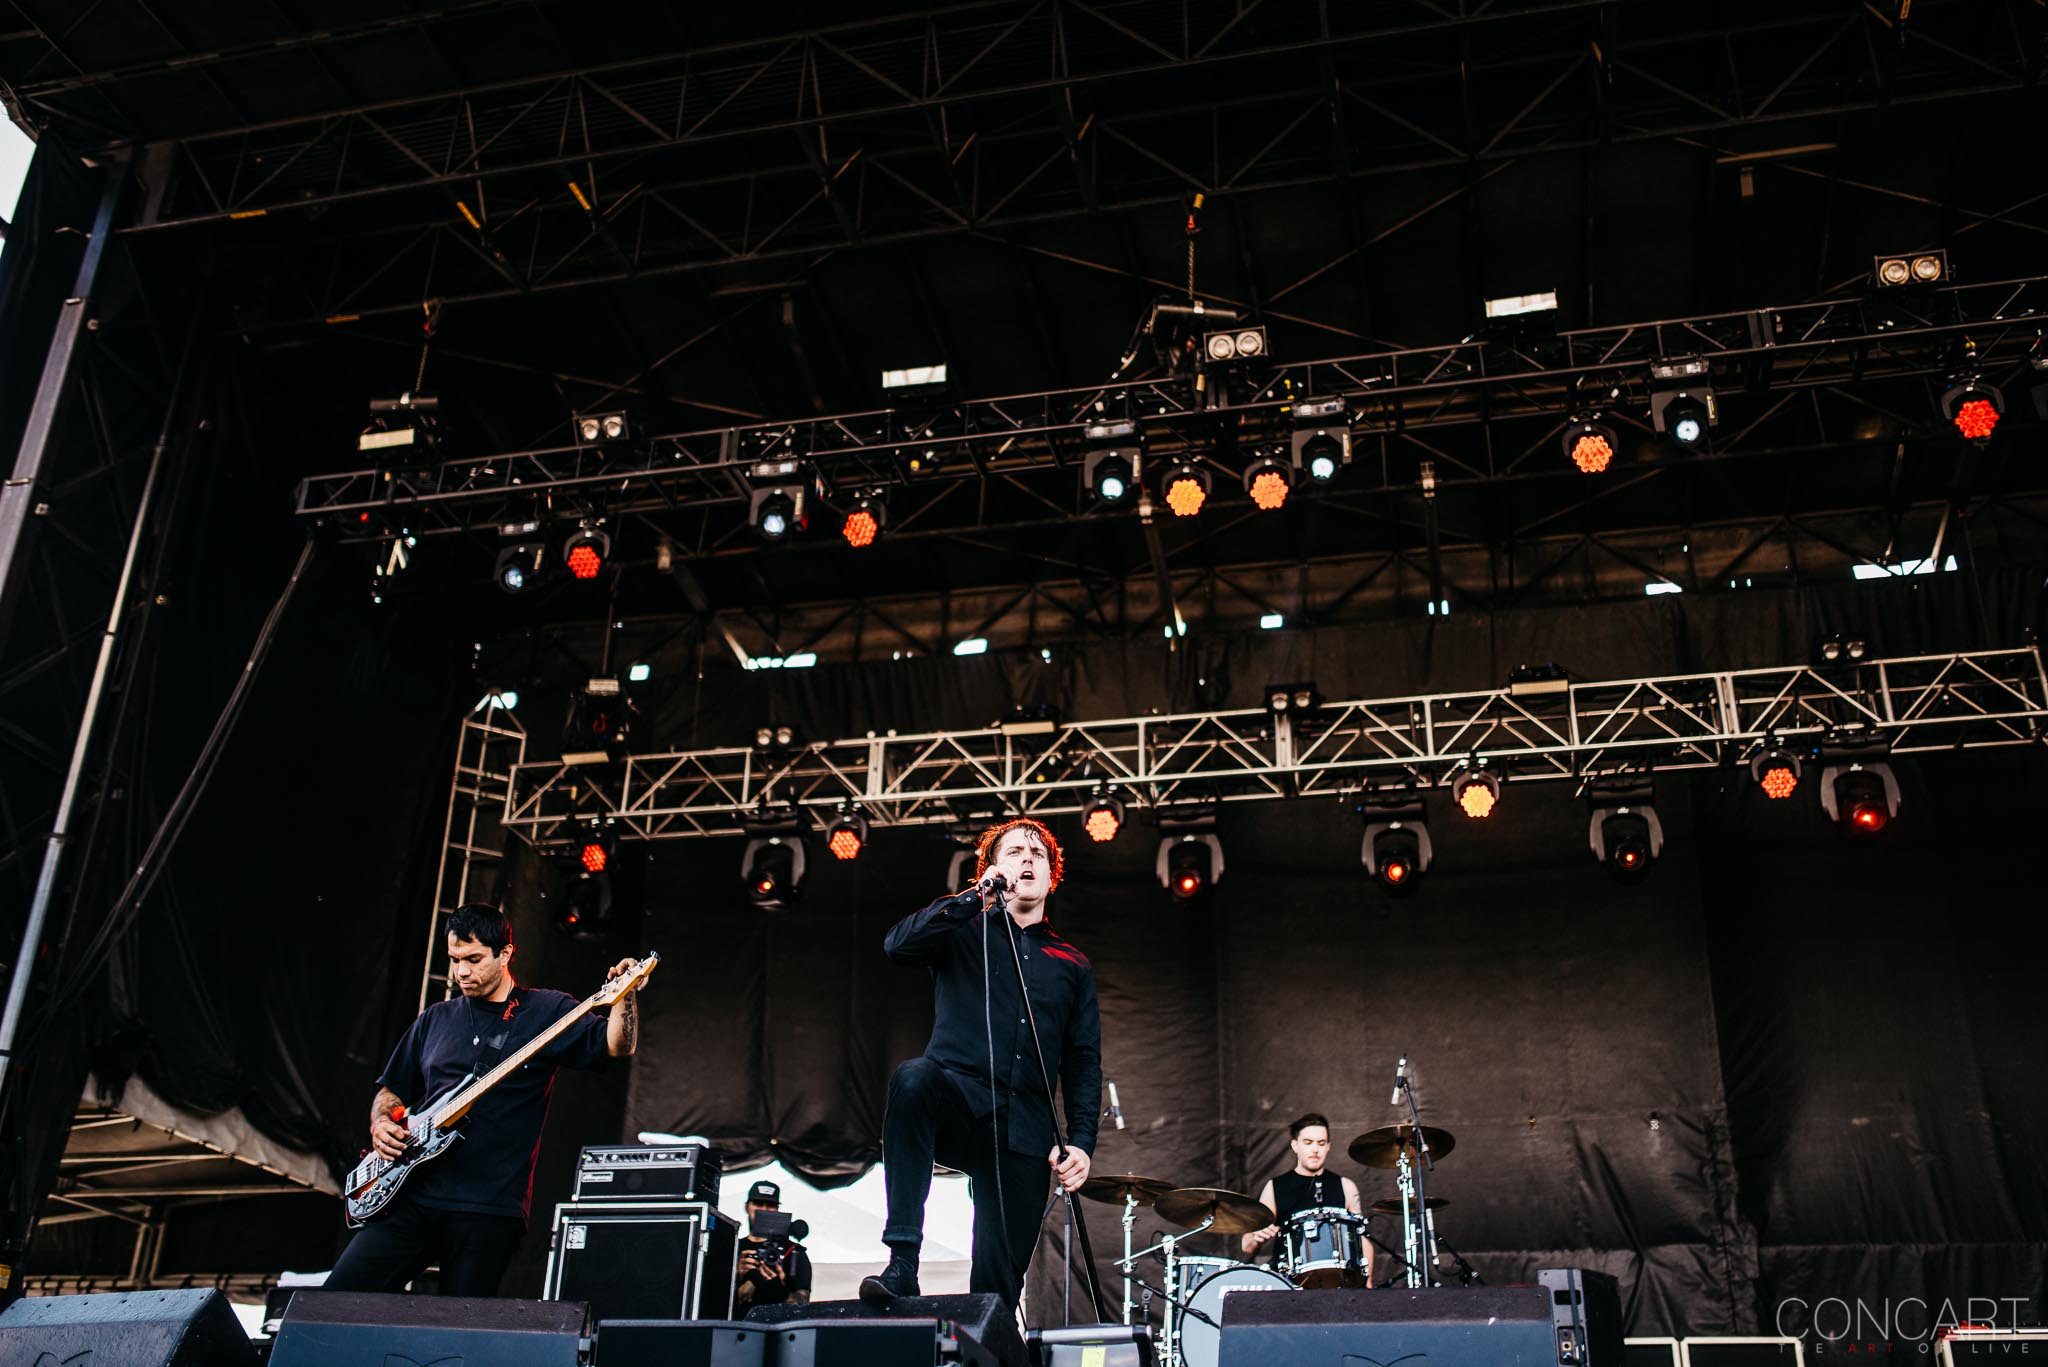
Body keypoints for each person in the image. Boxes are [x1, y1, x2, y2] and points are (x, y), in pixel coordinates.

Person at [326, 903, 645, 1296]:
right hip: (414, 1193)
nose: (461, 972)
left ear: (505, 953)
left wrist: (625, 996)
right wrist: (382, 1122)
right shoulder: (436, 1018)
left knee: (459, 1323)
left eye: (473, 959)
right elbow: (392, 1089)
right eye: (454, 960)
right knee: (336, 1300)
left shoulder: (546, 1010)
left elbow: (616, 1045)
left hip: (489, 1206)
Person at [861, 818, 1102, 1308]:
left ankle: (990, 1335)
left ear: (1051, 875)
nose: (1027, 859)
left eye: (1037, 854)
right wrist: (977, 897)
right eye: (1014, 852)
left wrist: (1080, 1141)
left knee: (996, 1292)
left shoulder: (1072, 964)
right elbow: (897, 945)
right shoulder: (962, 929)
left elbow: (1082, 1060)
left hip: (1023, 1130)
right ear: (991, 868)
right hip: (958, 1104)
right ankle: (902, 1261)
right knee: (913, 1077)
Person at [1240, 1112, 1368, 1280]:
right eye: (1308, 1142)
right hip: (1288, 1281)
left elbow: (1361, 1237)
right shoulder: (1275, 1187)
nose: (1315, 1149)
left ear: (1328, 1146)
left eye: (1321, 1143)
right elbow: (1247, 1246)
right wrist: (1257, 1236)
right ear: (1295, 1145)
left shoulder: (1346, 1186)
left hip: (1338, 1279)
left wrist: (1368, 1281)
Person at [733, 1179, 813, 1309]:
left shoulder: (794, 1252)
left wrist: (779, 1290)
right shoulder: (733, 1247)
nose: (764, 1210)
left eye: (770, 1205)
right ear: (747, 1207)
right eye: (758, 1203)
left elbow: (802, 1303)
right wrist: (735, 1274)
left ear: (777, 1209)